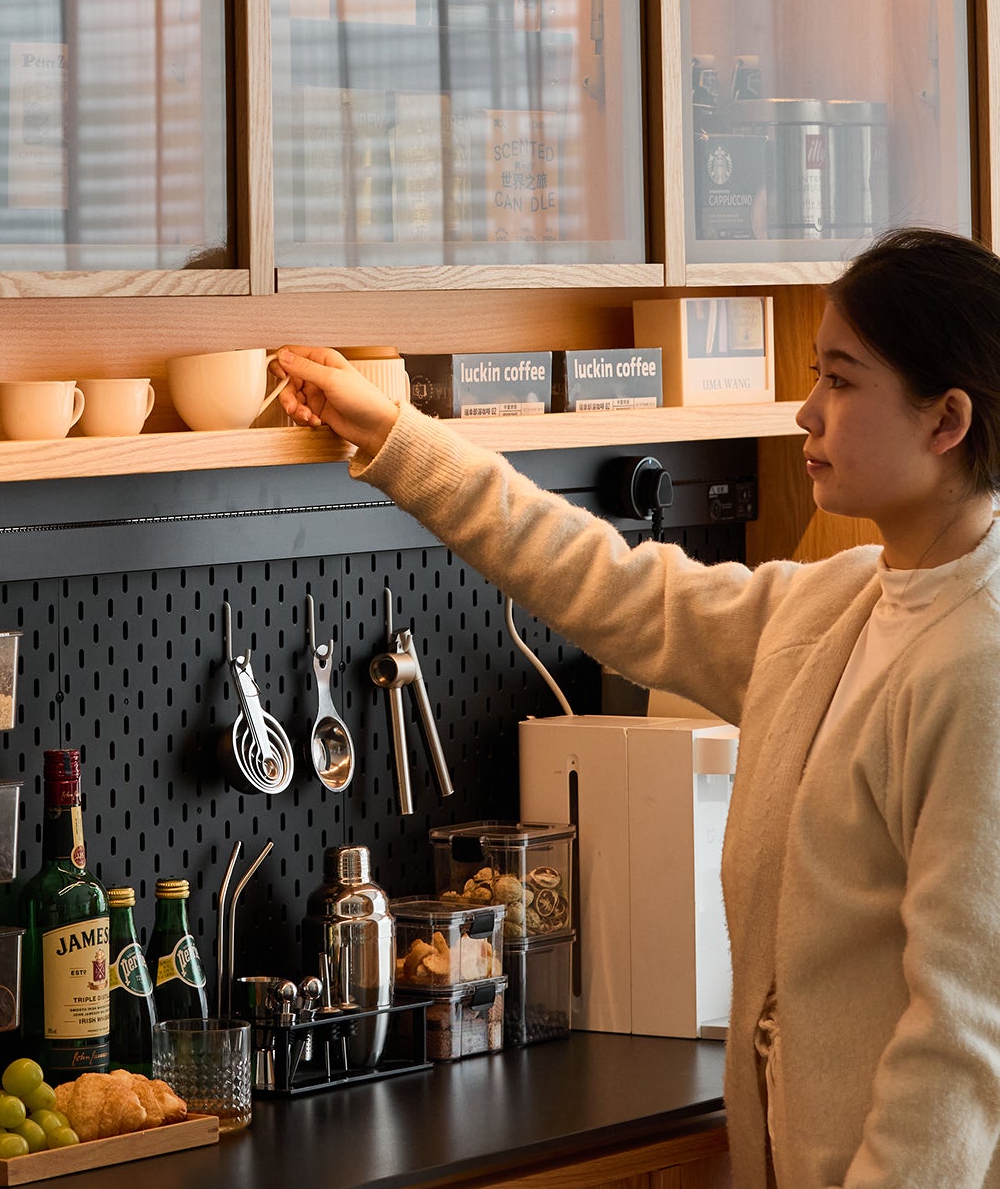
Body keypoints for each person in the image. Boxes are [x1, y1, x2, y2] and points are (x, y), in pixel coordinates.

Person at [274, 227, 1000, 1189]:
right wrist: (398, 437)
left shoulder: (977, 664)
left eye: (841, 379)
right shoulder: (841, 605)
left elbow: (964, 1039)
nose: (807, 411)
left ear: (947, 421)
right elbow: (614, 586)